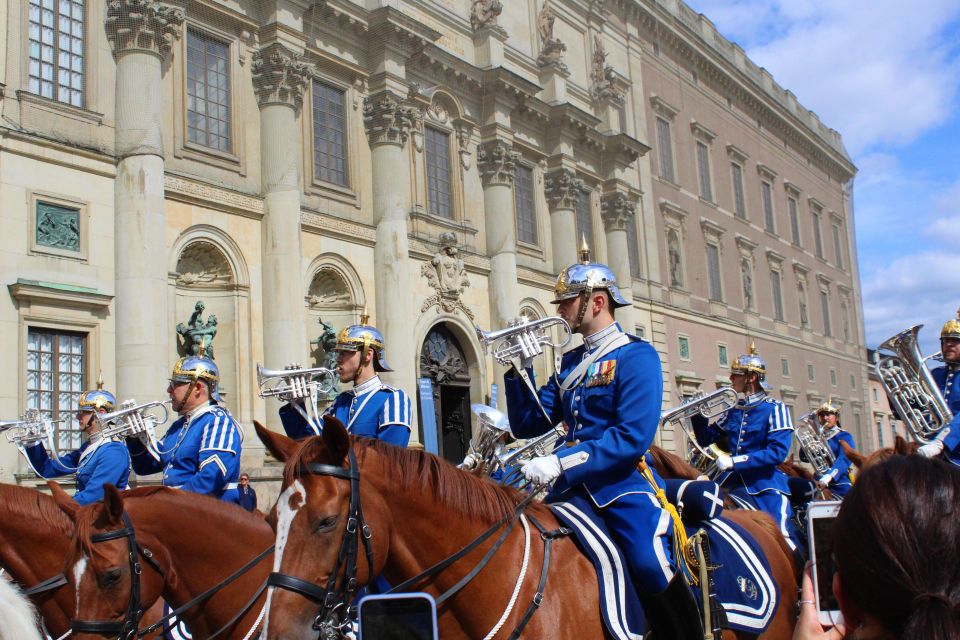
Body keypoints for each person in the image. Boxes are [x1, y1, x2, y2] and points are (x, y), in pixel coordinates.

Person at [502, 247, 702, 640]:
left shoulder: (636, 356)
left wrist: (561, 462)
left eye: (566, 301)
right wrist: (518, 370)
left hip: (621, 487)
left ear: (596, 302)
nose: (558, 309)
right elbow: (529, 423)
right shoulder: (570, 361)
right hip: (569, 490)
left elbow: (631, 436)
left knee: (647, 560)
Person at [793, 455, 960, 640]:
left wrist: (830, 476)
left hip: (837, 483)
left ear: (844, 602)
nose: (826, 422)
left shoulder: (843, 437)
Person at [691, 343, 802, 552]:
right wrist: (697, 413)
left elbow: (777, 453)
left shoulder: (775, 408)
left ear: (751, 377)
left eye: (735, 374)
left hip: (764, 484)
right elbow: (706, 438)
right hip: (732, 482)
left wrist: (734, 461)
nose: (731, 379)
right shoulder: (735, 410)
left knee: (782, 538)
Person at [126, 350, 243, 503]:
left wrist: (169, 501)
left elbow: (212, 477)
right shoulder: (178, 426)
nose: (169, 390)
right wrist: (135, 437)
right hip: (180, 510)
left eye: (175, 384)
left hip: (209, 516)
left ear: (198, 388)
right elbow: (145, 467)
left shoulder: (218, 421)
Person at [279, 314, 412, 447]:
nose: (338, 359)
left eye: (345, 353)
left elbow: (390, 458)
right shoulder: (341, 402)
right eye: (338, 353)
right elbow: (308, 443)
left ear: (368, 355)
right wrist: (296, 403)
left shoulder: (394, 399)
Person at [23, 382, 130, 505]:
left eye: (83, 412)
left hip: (102, 518)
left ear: (100, 413)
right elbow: (47, 470)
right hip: (86, 514)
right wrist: (33, 441)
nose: (77, 417)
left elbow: (94, 495)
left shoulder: (114, 451)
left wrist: (56, 509)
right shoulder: (89, 447)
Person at [918, 309, 960, 466]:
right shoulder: (936, 375)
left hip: (955, 453)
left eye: (955, 340)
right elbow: (921, 408)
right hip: (932, 453)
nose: (948, 344)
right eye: (945, 340)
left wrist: (940, 442)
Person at [805, 401, 855, 498]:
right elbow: (804, 458)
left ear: (836, 417)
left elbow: (844, 459)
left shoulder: (844, 435)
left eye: (828, 415)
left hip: (839, 481)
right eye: (822, 415)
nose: (825, 418)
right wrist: (811, 437)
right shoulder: (817, 436)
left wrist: (830, 476)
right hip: (818, 480)